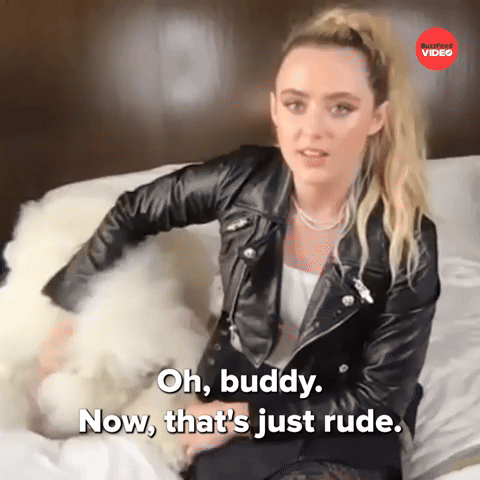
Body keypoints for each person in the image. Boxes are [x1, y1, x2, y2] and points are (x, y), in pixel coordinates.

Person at [35, 6, 441, 480]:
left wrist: (243, 419)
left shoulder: (408, 240)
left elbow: (377, 399)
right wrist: (71, 309)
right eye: (296, 104)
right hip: (239, 389)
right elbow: (136, 209)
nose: (313, 129)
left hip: (341, 414)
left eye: (341, 108)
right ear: (275, 110)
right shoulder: (242, 181)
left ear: (377, 118)